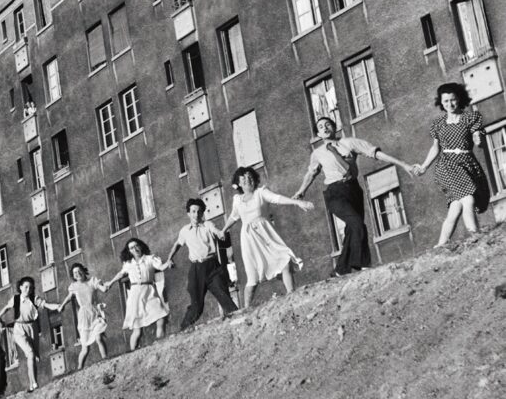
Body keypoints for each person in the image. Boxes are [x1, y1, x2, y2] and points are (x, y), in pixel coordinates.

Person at [294, 117, 417, 276]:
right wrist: (301, 191)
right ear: (318, 133)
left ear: (334, 127)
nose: (324, 128)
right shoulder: (317, 153)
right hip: (335, 192)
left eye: (328, 125)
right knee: (357, 224)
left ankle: (340, 270)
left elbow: (376, 153)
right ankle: (363, 265)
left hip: (353, 189)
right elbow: (311, 173)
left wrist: (403, 164)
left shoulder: (349, 143)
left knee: (352, 229)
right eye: (320, 127)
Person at [220, 167, 313, 308]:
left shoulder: (261, 192)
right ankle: (246, 309)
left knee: (285, 260)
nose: (248, 181)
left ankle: (291, 295)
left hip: (267, 235)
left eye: (250, 177)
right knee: (252, 278)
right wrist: (223, 230)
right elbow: (234, 216)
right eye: (244, 179)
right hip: (249, 240)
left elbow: (277, 198)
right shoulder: (237, 200)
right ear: (238, 183)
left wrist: (297, 202)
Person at [414, 82, 490, 247]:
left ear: (459, 99)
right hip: (447, 166)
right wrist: (424, 166)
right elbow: (435, 148)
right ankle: (475, 236)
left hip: (467, 164)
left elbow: (480, 135)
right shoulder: (438, 124)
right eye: (446, 101)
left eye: (453, 100)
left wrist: (479, 138)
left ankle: (440, 245)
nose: (450, 104)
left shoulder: (471, 118)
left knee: (456, 207)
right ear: (441, 103)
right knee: (468, 199)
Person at [166, 198, 238, 328]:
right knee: (197, 306)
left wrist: (220, 234)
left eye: (199, 212)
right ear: (188, 213)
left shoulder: (208, 225)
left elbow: (216, 231)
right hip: (196, 270)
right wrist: (170, 258)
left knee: (224, 296)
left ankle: (238, 320)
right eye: (193, 211)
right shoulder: (184, 231)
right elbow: (177, 244)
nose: (196, 214)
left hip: (213, 267)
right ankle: (184, 330)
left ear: (203, 213)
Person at [103, 239, 171, 351]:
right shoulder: (128, 263)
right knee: (137, 328)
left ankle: (160, 345)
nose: (135, 249)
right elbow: (121, 274)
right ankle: (133, 352)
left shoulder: (150, 258)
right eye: (131, 248)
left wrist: (168, 263)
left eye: (136, 246)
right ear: (129, 251)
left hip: (149, 291)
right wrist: (110, 283)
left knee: (161, 318)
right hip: (135, 294)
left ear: (141, 246)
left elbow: (161, 267)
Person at [46, 263, 108, 370]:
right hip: (84, 316)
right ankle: (79, 368)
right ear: (73, 275)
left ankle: (106, 361)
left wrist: (105, 286)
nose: (77, 274)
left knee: (99, 338)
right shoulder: (74, 286)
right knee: (85, 348)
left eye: (79, 271)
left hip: (95, 313)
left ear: (84, 271)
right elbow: (69, 297)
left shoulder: (92, 281)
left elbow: (102, 288)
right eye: (75, 273)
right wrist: (62, 305)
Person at [0, 277, 48, 391]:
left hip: (32, 327)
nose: (28, 289)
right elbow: (6, 308)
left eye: (30, 287)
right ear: (20, 287)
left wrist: (58, 306)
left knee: (34, 357)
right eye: (26, 287)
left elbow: (46, 305)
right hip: (19, 328)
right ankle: (34, 383)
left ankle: (31, 385)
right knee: (30, 353)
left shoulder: (34, 299)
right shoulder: (15, 299)